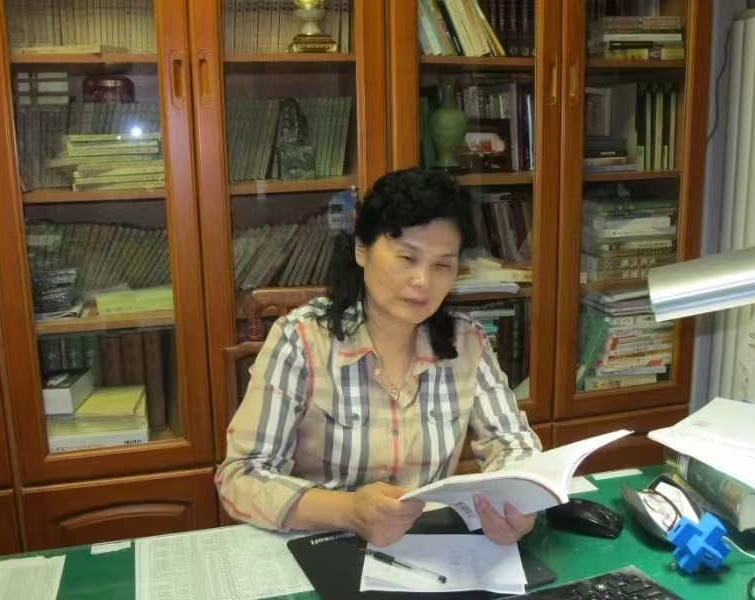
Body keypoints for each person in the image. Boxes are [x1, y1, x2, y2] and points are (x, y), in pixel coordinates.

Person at [216, 168, 541, 547]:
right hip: (324, 545)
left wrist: (518, 504)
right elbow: (241, 476)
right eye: (407, 257)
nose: (423, 281)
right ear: (362, 249)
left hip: (428, 551)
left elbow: (514, 444)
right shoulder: (302, 338)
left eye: (442, 264)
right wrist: (348, 510)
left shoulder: (466, 341)